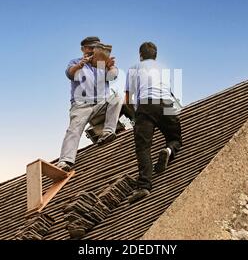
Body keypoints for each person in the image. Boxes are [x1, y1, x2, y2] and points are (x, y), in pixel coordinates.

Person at [125, 42, 182, 203]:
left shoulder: (134, 68)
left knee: (143, 147)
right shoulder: (164, 68)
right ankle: (169, 150)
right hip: (167, 103)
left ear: (140, 55)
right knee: (175, 137)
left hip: (145, 104)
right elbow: (170, 92)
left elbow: (127, 99)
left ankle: (144, 186)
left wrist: (135, 117)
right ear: (155, 56)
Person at [56, 36, 123, 171]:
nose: (92, 50)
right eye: (90, 48)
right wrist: (80, 64)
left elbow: (113, 77)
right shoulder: (75, 62)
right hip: (81, 106)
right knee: (74, 130)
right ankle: (65, 161)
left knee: (116, 97)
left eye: (95, 48)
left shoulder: (101, 64)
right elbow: (70, 74)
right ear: (83, 49)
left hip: (100, 103)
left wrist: (112, 67)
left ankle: (108, 132)